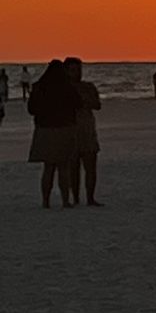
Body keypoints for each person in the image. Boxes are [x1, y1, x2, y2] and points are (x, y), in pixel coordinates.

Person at [27, 60, 81, 209]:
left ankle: (46, 201)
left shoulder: (39, 87)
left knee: (48, 167)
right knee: (64, 167)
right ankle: (65, 201)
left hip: (45, 130)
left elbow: (31, 109)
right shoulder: (67, 87)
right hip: (65, 128)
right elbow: (78, 104)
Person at [64, 57, 103, 206]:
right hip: (71, 130)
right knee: (73, 167)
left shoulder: (88, 87)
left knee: (91, 166)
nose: (78, 73)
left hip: (87, 129)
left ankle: (90, 198)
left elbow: (97, 105)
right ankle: (75, 198)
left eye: (79, 69)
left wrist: (85, 100)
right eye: (73, 70)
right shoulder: (64, 89)